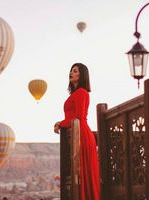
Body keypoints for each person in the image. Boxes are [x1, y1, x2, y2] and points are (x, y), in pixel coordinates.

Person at [54, 63, 100, 200]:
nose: (71, 73)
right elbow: (71, 117)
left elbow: (79, 118)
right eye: (71, 71)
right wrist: (61, 123)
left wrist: (60, 124)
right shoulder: (75, 94)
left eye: (75, 71)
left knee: (83, 174)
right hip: (76, 133)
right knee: (79, 175)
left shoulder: (82, 92)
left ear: (82, 75)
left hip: (82, 135)